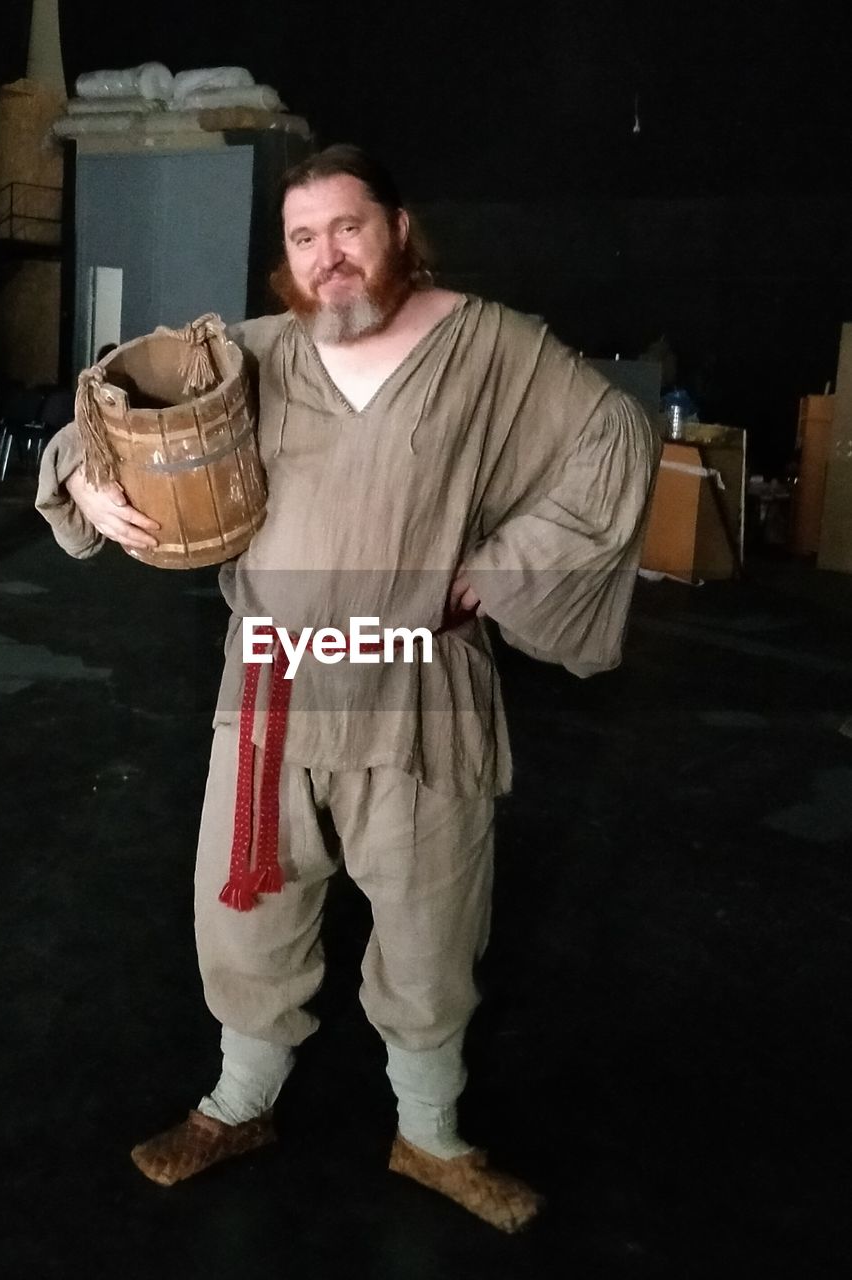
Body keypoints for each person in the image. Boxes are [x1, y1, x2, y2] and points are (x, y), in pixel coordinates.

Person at [36, 144, 660, 1233]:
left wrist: (499, 572)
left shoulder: (487, 348)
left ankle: (429, 1132)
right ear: (284, 259)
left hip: (418, 689)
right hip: (273, 686)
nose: (328, 256)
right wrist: (90, 471)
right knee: (246, 905)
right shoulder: (249, 354)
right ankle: (238, 1102)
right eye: (302, 237)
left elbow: (612, 435)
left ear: (397, 230)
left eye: (348, 228)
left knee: (430, 915)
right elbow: (105, 415)